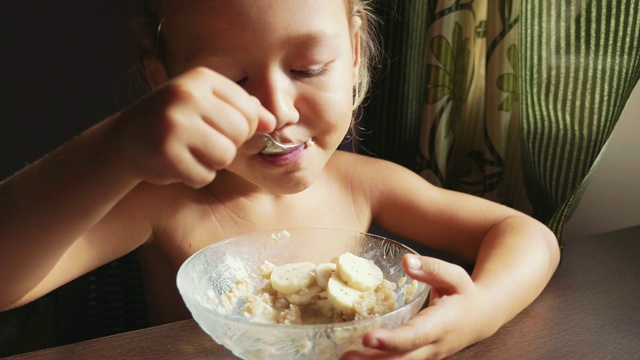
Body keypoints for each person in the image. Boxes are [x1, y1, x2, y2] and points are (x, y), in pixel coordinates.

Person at [0, 0, 560, 359]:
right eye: (230, 80)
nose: (276, 111)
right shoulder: (162, 201)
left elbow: (526, 233)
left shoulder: (365, 183)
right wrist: (117, 147)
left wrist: (482, 310)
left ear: (356, 52)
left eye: (308, 69)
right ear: (164, 84)